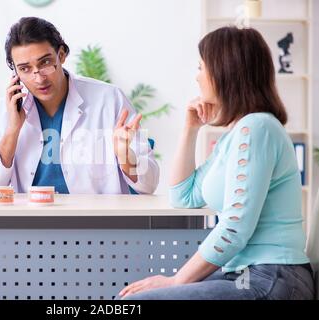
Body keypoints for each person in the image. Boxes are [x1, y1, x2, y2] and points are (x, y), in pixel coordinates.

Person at [119, 26, 314, 300]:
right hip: (247, 273)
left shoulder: (257, 128)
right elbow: (183, 196)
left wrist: (177, 281)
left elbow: (235, 228)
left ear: (225, 71)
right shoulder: (234, 136)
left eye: (201, 67)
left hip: (273, 275)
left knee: (138, 302)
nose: (197, 77)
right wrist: (191, 129)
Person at [0, 17, 159, 194]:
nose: (39, 78)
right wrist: (12, 131)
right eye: (25, 69)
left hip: (93, 219)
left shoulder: (110, 99)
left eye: (45, 62)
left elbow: (149, 183)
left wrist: (124, 154)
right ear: (15, 73)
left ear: (61, 55)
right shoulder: (7, 109)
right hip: (30, 219)